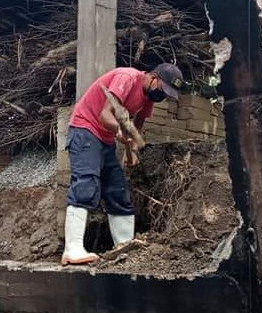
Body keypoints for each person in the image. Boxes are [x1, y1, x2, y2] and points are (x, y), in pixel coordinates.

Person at [61, 63, 185, 265]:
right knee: (86, 183)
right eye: (163, 91)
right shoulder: (127, 77)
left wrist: (132, 150)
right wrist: (119, 132)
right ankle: (72, 249)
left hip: (105, 139)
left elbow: (136, 129)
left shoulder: (148, 98)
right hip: (85, 128)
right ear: (154, 79)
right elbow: (105, 115)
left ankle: (125, 248)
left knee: (118, 191)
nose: (162, 97)